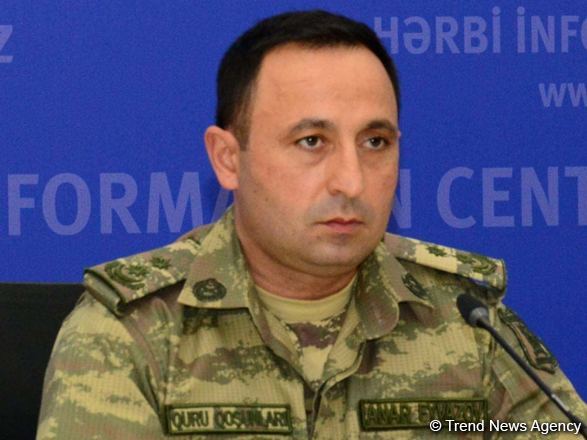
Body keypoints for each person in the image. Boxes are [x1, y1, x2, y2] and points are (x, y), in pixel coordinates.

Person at [37, 10, 585, 439]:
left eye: (375, 142)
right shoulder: (129, 332)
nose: (351, 179)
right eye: (311, 141)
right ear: (228, 159)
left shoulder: (467, 321)